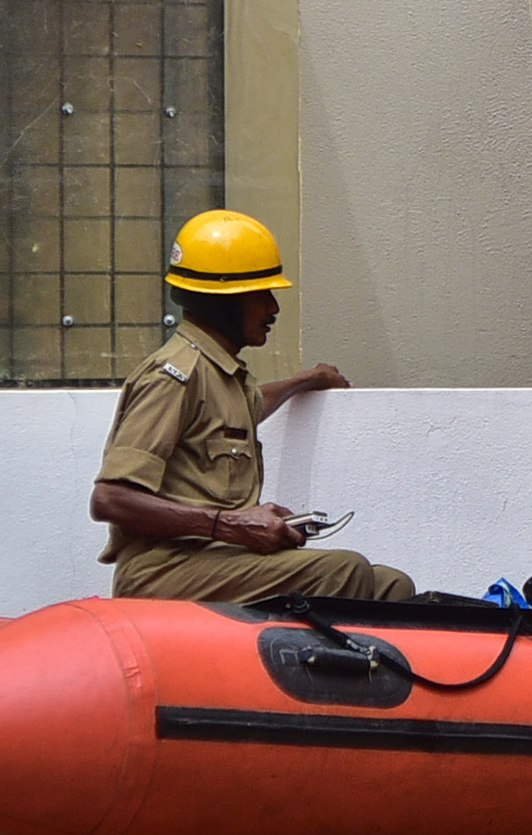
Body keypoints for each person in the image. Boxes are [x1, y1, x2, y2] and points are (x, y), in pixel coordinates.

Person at [90, 210, 415, 602]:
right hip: (163, 570)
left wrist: (309, 379)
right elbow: (110, 499)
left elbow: (251, 406)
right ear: (224, 303)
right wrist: (231, 524)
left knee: (392, 587)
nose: (273, 309)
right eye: (261, 296)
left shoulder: (222, 375)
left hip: (216, 558)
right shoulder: (175, 376)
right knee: (346, 570)